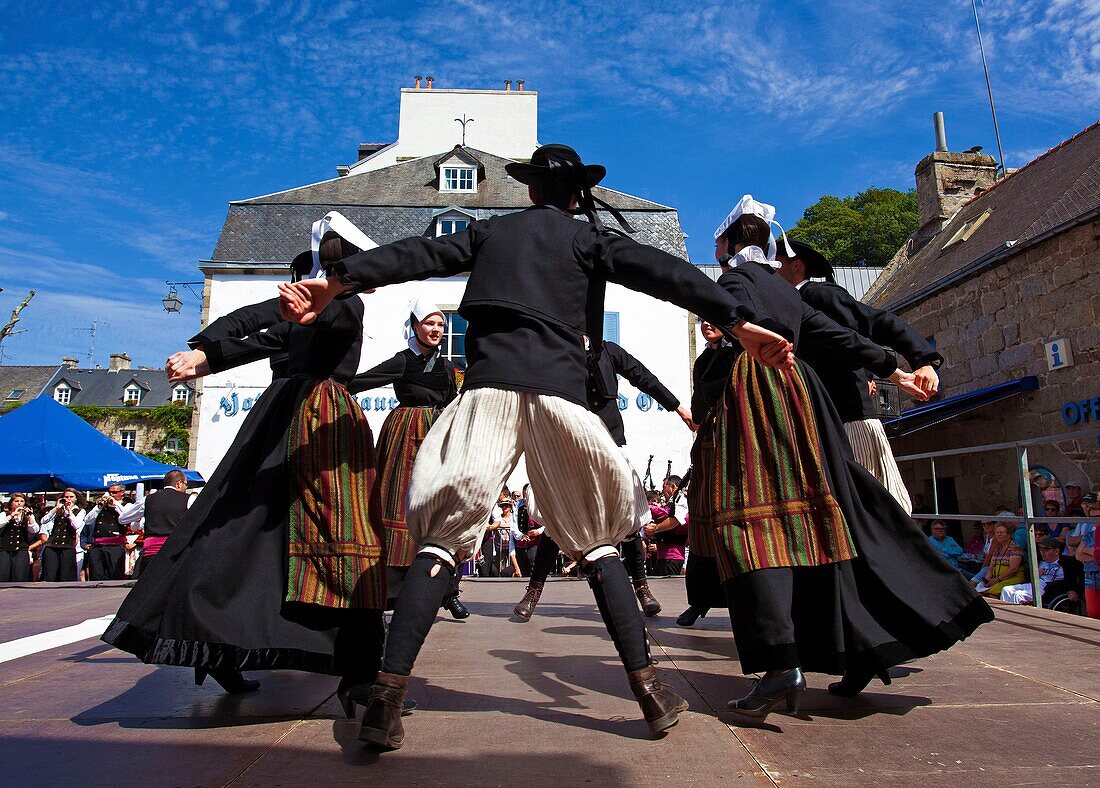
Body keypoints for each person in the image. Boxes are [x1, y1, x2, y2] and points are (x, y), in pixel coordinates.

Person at [279, 143, 797, 747]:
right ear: (577, 195)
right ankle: (651, 692)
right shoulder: (589, 239)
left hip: (488, 392)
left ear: (529, 190)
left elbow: (416, 255)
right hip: (558, 396)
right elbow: (670, 276)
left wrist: (335, 282)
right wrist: (737, 320)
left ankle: (385, 701)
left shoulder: (488, 234)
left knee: (443, 540)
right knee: (601, 542)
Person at [698, 197, 991, 721]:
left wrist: (725, 328)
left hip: (757, 402)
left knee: (753, 528)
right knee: (833, 520)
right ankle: (863, 646)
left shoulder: (734, 284)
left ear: (729, 244)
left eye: (716, 242)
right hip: (807, 404)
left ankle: (781, 664)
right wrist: (897, 369)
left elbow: (739, 320)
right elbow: (836, 334)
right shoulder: (784, 291)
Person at [102, 213, 388, 705]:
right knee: (249, 533)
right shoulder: (307, 316)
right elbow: (255, 329)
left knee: (335, 538)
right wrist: (202, 354)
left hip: (314, 422)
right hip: (290, 421)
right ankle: (223, 651)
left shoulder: (348, 308)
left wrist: (302, 311)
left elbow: (304, 318)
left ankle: (357, 669)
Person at [514, 340, 690, 621]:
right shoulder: (558, 348)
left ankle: (642, 589)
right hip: (571, 441)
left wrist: (678, 408)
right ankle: (533, 590)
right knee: (557, 519)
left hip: (610, 439)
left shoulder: (608, 350)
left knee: (630, 517)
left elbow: (642, 376)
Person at [774, 238, 942, 514]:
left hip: (850, 419)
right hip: (827, 420)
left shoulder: (818, 294)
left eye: (775, 262)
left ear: (796, 265)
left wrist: (923, 360)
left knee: (878, 508)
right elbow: (841, 346)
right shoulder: (791, 308)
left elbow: (871, 324)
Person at [347, 297, 465, 619]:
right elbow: (363, 381)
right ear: (415, 326)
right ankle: (392, 593)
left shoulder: (447, 367)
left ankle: (447, 590)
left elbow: (457, 404)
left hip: (437, 437)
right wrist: (334, 383)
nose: (437, 329)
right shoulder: (402, 361)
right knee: (399, 504)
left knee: (439, 510)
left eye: (441, 324)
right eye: (430, 323)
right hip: (405, 437)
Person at [678, 319, 736, 628]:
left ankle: (746, 600)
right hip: (711, 440)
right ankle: (700, 599)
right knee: (703, 518)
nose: (706, 324)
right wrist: (694, 416)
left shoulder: (739, 354)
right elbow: (699, 407)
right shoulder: (702, 361)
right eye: (701, 319)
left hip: (739, 438)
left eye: (713, 319)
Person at [118, 470, 195, 577]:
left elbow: (122, 519)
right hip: (176, 552)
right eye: (185, 485)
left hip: (151, 553)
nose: (185, 488)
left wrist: (138, 518)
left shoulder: (147, 500)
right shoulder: (189, 499)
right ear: (179, 483)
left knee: (149, 588)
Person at [82, 485, 133, 581]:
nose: (111, 494)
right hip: (98, 545)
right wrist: (99, 507)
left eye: (114, 492)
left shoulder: (126, 505)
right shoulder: (100, 507)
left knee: (115, 573)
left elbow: (126, 517)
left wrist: (115, 504)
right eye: (110, 492)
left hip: (115, 545)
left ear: (122, 493)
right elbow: (88, 521)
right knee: (97, 574)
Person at [999, 539, 1065, 605]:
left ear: (1056, 551)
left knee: (1018, 595)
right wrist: (1036, 574)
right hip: (1035, 584)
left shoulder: (1064, 564)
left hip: (1047, 589)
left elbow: (1063, 583)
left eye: (1046, 550)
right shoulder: (1040, 562)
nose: (1042, 553)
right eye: (1041, 550)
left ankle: (1015, 614)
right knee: (1006, 590)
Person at [39, 489, 85, 582]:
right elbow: (43, 521)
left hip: (67, 545)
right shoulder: (57, 510)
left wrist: (69, 512)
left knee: (66, 575)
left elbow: (76, 525)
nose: (68, 499)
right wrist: (55, 508)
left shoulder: (80, 511)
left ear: (76, 499)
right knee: (50, 574)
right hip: (52, 544)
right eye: (66, 497)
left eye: (71, 497)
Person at [972, 524, 1025, 597]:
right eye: (997, 533)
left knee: (991, 593)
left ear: (1009, 535)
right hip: (997, 579)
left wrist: (997, 580)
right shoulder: (997, 549)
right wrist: (987, 579)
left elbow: (1013, 569)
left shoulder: (1015, 548)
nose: (999, 535)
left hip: (1012, 579)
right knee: (978, 589)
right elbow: (991, 567)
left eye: (1001, 532)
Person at [0, 493, 42, 582]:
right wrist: (12, 515)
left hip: (21, 550)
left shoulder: (27, 515)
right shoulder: (4, 514)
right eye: (16, 501)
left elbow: (35, 530)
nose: (19, 503)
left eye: (22, 501)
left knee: (20, 575)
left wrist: (30, 517)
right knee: (3, 575)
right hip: (4, 550)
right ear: (11, 503)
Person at [1074, 493, 1099, 618]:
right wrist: (1096, 554)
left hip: (1093, 572)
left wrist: (1088, 552)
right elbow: (1078, 555)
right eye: (1092, 518)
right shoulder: (1090, 534)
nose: (1095, 521)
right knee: (1093, 614)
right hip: (1091, 576)